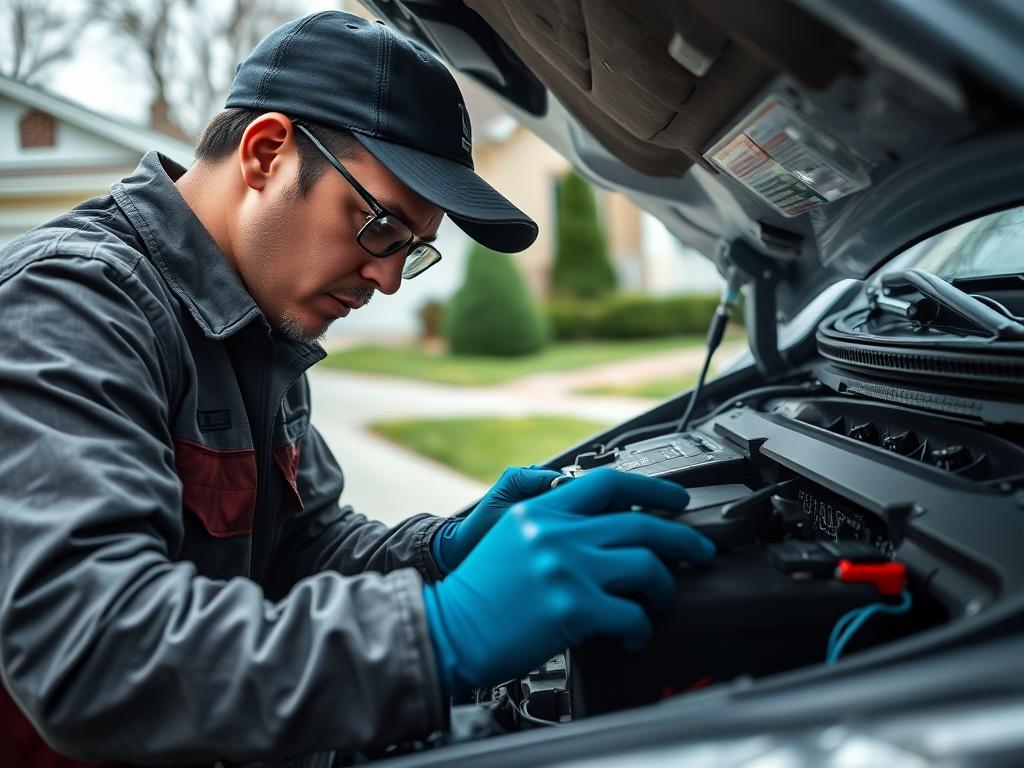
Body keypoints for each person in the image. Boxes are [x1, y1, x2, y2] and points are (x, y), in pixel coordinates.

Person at [0, 11, 715, 767]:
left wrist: (440, 555)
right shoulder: (69, 305)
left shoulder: (259, 326)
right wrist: (442, 631)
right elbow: (94, 654)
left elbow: (299, 550)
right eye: (379, 226)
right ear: (267, 153)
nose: (390, 277)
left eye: (413, 249)